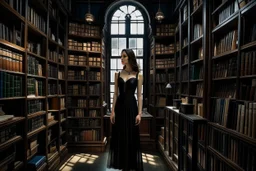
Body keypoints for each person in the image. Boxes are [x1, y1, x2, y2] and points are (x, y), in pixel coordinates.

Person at [107, 49, 144, 171]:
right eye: (121, 56)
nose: (121, 58)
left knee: (131, 136)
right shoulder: (117, 74)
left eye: (124, 56)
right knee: (120, 136)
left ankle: (129, 165)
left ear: (130, 58)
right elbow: (115, 94)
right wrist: (112, 111)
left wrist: (139, 113)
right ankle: (123, 165)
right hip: (120, 108)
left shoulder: (139, 75)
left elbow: (139, 95)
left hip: (132, 108)